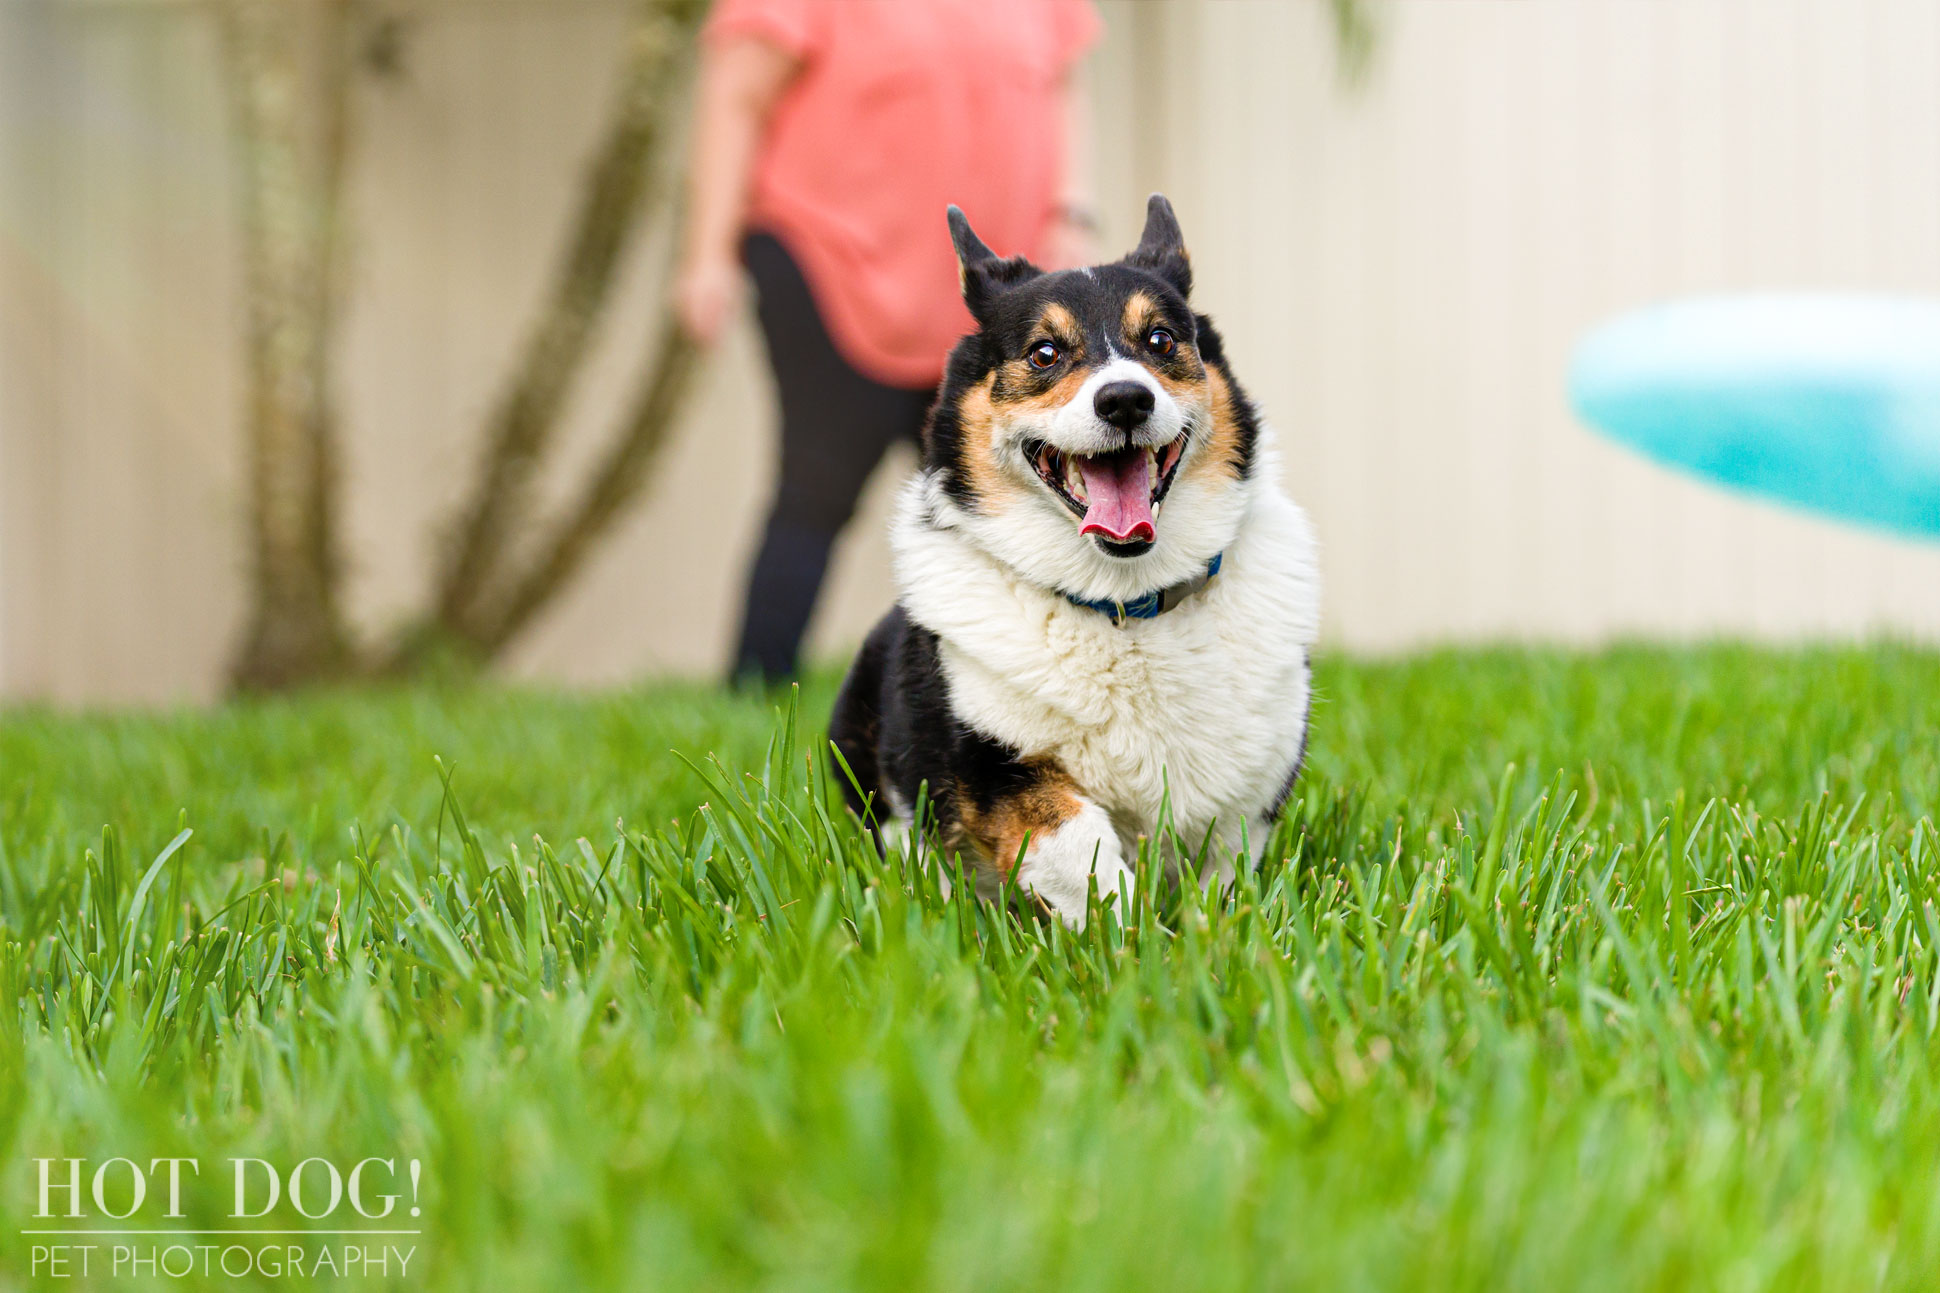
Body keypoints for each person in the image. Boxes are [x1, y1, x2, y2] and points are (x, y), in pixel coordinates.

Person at [677, 0, 1102, 685]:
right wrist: (707, 256)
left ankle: (1017, 694)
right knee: (818, 485)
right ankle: (754, 693)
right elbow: (735, 94)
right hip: (833, 266)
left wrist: (1071, 209)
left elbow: (1060, 81)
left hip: (991, 289)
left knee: (998, 501)